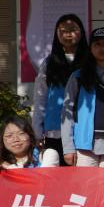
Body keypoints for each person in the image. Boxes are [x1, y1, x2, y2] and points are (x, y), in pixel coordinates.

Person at [61, 27, 104, 168]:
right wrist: (68, 147)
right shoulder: (78, 77)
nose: (102, 48)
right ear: (90, 48)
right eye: (97, 44)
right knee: (86, 182)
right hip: (84, 144)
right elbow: (67, 113)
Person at [31, 12, 85, 165]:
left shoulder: (89, 61)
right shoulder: (49, 63)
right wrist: (37, 131)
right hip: (55, 130)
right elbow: (40, 97)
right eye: (63, 30)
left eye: (73, 29)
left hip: (84, 130)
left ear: (82, 32)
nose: (68, 34)